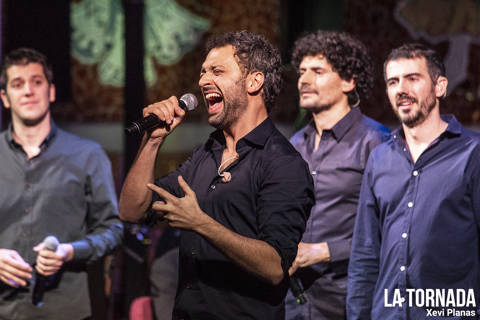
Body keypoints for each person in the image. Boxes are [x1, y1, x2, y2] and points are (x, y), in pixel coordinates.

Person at [119, 30, 314, 319]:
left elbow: (275, 267)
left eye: (216, 71)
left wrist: (201, 224)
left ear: (254, 81)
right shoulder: (206, 154)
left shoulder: (283, 163)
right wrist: (153, 140)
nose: (202, 81)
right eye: (202, 72)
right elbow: (132, 210)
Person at [347, 43, 480, 319]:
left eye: (413, 79)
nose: (401, 89)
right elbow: (365, 253)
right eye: (393, 81)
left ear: (440, 87)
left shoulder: (473, 153)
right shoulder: (380, 158)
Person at [0, 48, 123, 320]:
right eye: (17, 84)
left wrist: (69, 251)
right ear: (5, 98)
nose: (28, 91)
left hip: (65, 309)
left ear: (51, 92)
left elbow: (113, 230)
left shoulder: (88, 154)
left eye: (37, 82)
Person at [285, 31, 390, 320]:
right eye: (302, 71)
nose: (304, 80)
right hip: (296, 297)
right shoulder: (294, 144)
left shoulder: (376, 141)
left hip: (349, 298)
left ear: (348, 81)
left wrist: (324, 251)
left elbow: (396, 227)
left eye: (318, 71)